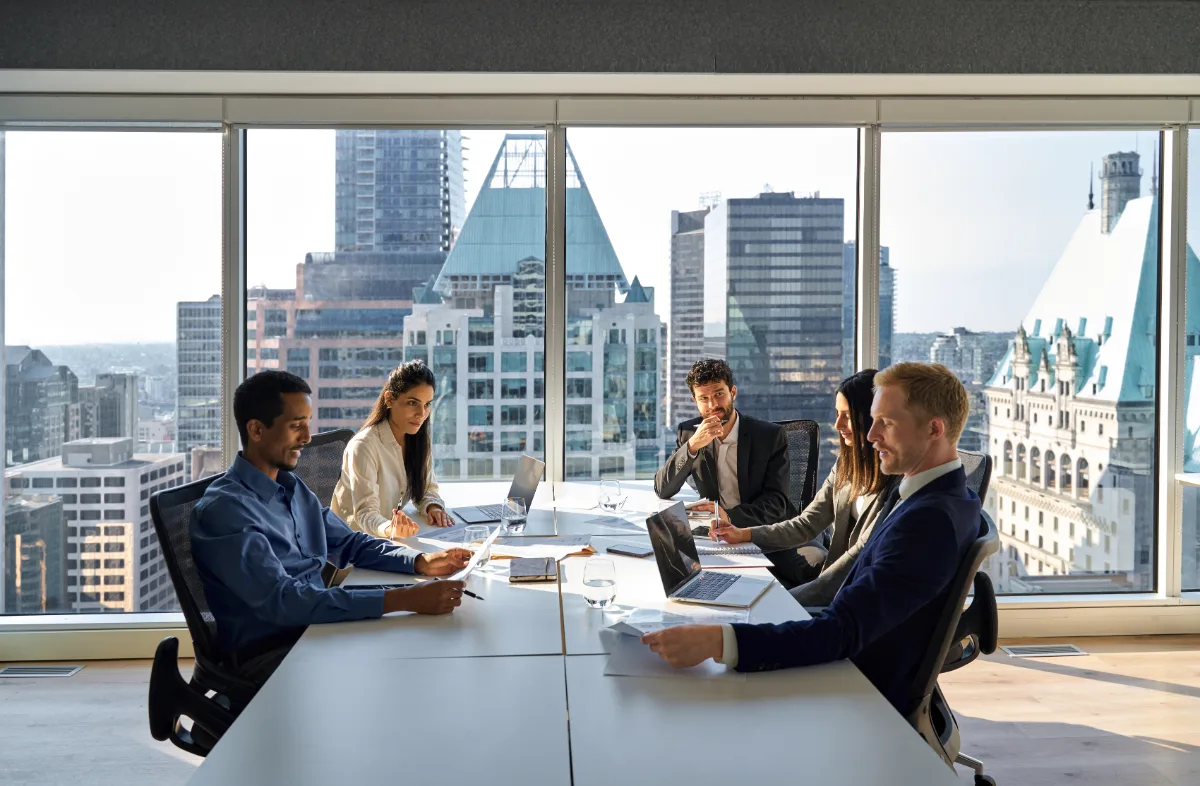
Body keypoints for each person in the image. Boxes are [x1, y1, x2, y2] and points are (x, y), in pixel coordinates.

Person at [642, 362, 981, 715]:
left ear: (934, 429)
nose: (869, 435)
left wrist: (721, 639)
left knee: (699, 702)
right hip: (843, 660)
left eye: (886, 423)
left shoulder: (926, 520)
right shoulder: (930, 495)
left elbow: (841, 631)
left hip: (855, 692)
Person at [190, 370, 471, 696]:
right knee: (403, 674)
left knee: (425, 657)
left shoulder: (290, 487)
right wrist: (402, 599)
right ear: (256, 429)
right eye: (297, 425)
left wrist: (421, 562)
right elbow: (285, 603)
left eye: (308, 423)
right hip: (275, 650)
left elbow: (349, 543)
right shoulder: (227, 511)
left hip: (314, 626)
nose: (308, 437)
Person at [710, 370, 901, 605]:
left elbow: (855, 561)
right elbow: (807, 523)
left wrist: (783, 605)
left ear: (874, 417)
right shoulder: (847, 464)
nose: (837, 424)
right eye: (837, 414)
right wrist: (744, 534)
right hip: (834, 581)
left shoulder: (897, 482)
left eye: (847, 415)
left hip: (855, 597)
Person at [655, 358, 822, 583]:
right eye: (704, 398)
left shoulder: (769, 436)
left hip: (766, 535)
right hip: (719, 540)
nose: (713, 404)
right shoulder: (689, 433)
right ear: (695, 401)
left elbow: (778, 504)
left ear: (733, 392)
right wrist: (692, 446)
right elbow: (663, 489)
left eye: (719, 394)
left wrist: (730, 516)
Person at [331, 360, 455, 539]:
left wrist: (432, 507)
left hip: (387, 539)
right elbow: (365, 514)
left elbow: (426, 488)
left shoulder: (416, 438)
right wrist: (391, 528)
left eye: (427, 404)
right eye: (413, 403)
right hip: (353, 544)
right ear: (389, 399)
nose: (422, 413)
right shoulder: (364, 446)